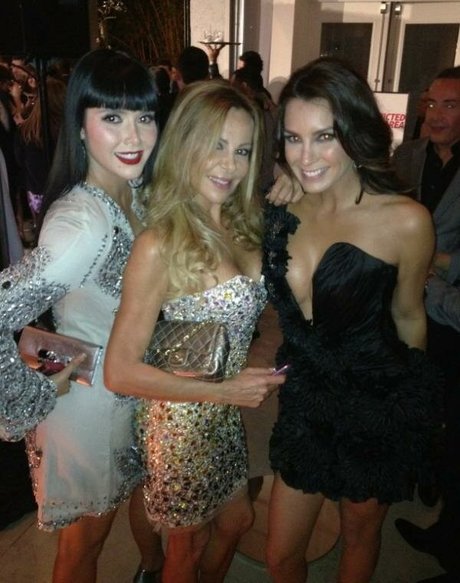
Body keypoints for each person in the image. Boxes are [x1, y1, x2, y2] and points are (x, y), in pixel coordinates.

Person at [262, 57, 442, 583]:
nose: (306, 157)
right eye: (293, 139)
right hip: (306, 402)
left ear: (356, 131)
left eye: (324, 136)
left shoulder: (406, 220)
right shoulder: (281, 211)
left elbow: (409, 316)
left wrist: (411, 411)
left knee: (359, 536)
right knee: (280, 555)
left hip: (377, 404)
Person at [104, 80, 286, 583]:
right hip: (180, 422)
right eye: (216, 145)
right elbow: (118, 372)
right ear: (185, 144)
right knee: (188, 544)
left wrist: (293, 185)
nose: (230, 165)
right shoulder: (159, 243)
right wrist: (226, 390)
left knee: (237, 520)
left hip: (223, 414)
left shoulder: (242, 223)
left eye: (242, 150)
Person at [0, 48, 164, 583]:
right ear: (79, 125)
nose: (134, 136)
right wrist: (33, 392)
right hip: (91, 414)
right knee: (83, 548)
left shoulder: (134, 190)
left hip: (134, 393)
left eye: (144, 116)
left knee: (138, 505)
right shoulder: (83, 223)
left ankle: (153, 569)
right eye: (112, 117)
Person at [393, 65, 460, 583]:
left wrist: (435, 262)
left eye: (451, 105)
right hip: (403, 305)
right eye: (431, 103)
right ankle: (422, 472)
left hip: (451, 315)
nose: (436, 114)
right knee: (412, 395)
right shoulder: (407, 156)